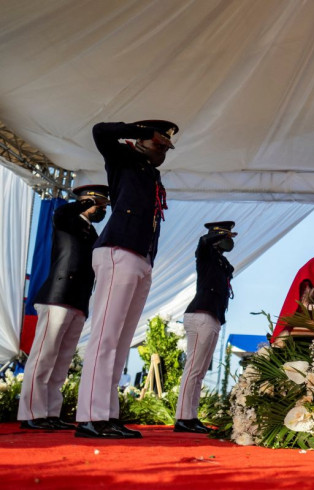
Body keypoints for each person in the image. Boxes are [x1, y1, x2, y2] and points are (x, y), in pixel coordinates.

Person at [76, 119, 178, 439]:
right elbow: (99, 131)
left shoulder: (151, 173)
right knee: (106, 337)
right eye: (158, 144)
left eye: (166, 148)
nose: (162, 152)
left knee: (120, 343)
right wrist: (138, 130)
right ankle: (91, 418)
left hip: (141, 257)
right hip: (119, 250)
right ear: (142, 140)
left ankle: (107, 415)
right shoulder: (123, 157)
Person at [17, 185, 110, 431]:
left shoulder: (92, 232)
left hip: (78, 300)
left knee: (61, 361)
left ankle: (50, 413)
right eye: (100, 204)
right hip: (57, 296)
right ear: (87, 200)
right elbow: (61, 213)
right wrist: (85, 201)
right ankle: (31, 414)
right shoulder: (67, 218)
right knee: (43, 357)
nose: (102, 210)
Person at [174, 221, 236, 434]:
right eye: (226, 236)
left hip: (213, 316)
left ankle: (190, 416)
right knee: (193, 369)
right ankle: (183, 417)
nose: (230, 241)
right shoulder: (205, 254)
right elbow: (202, 241)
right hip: (201, 315)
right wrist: (216, 236)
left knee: (198, 372)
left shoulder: (219, 262)